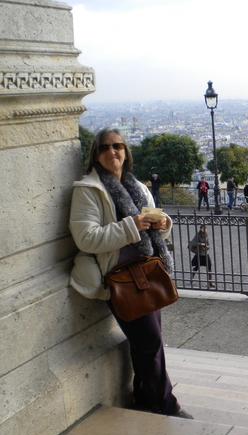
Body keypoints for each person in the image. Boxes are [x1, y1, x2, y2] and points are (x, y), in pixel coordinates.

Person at [69, 127, 192, 419]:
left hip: (148, 270)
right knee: (149, 342)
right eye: (105, 147)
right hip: (121, 277)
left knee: (149, 340)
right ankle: (165, 404)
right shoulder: (89, 189)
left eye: (118, 146)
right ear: (96, 154)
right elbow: (86, 237)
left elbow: (152, 218)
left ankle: (143, 396)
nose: (113, 152)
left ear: (126, 152)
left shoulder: (136, 185)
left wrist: (163, 224)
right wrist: (131, 226)